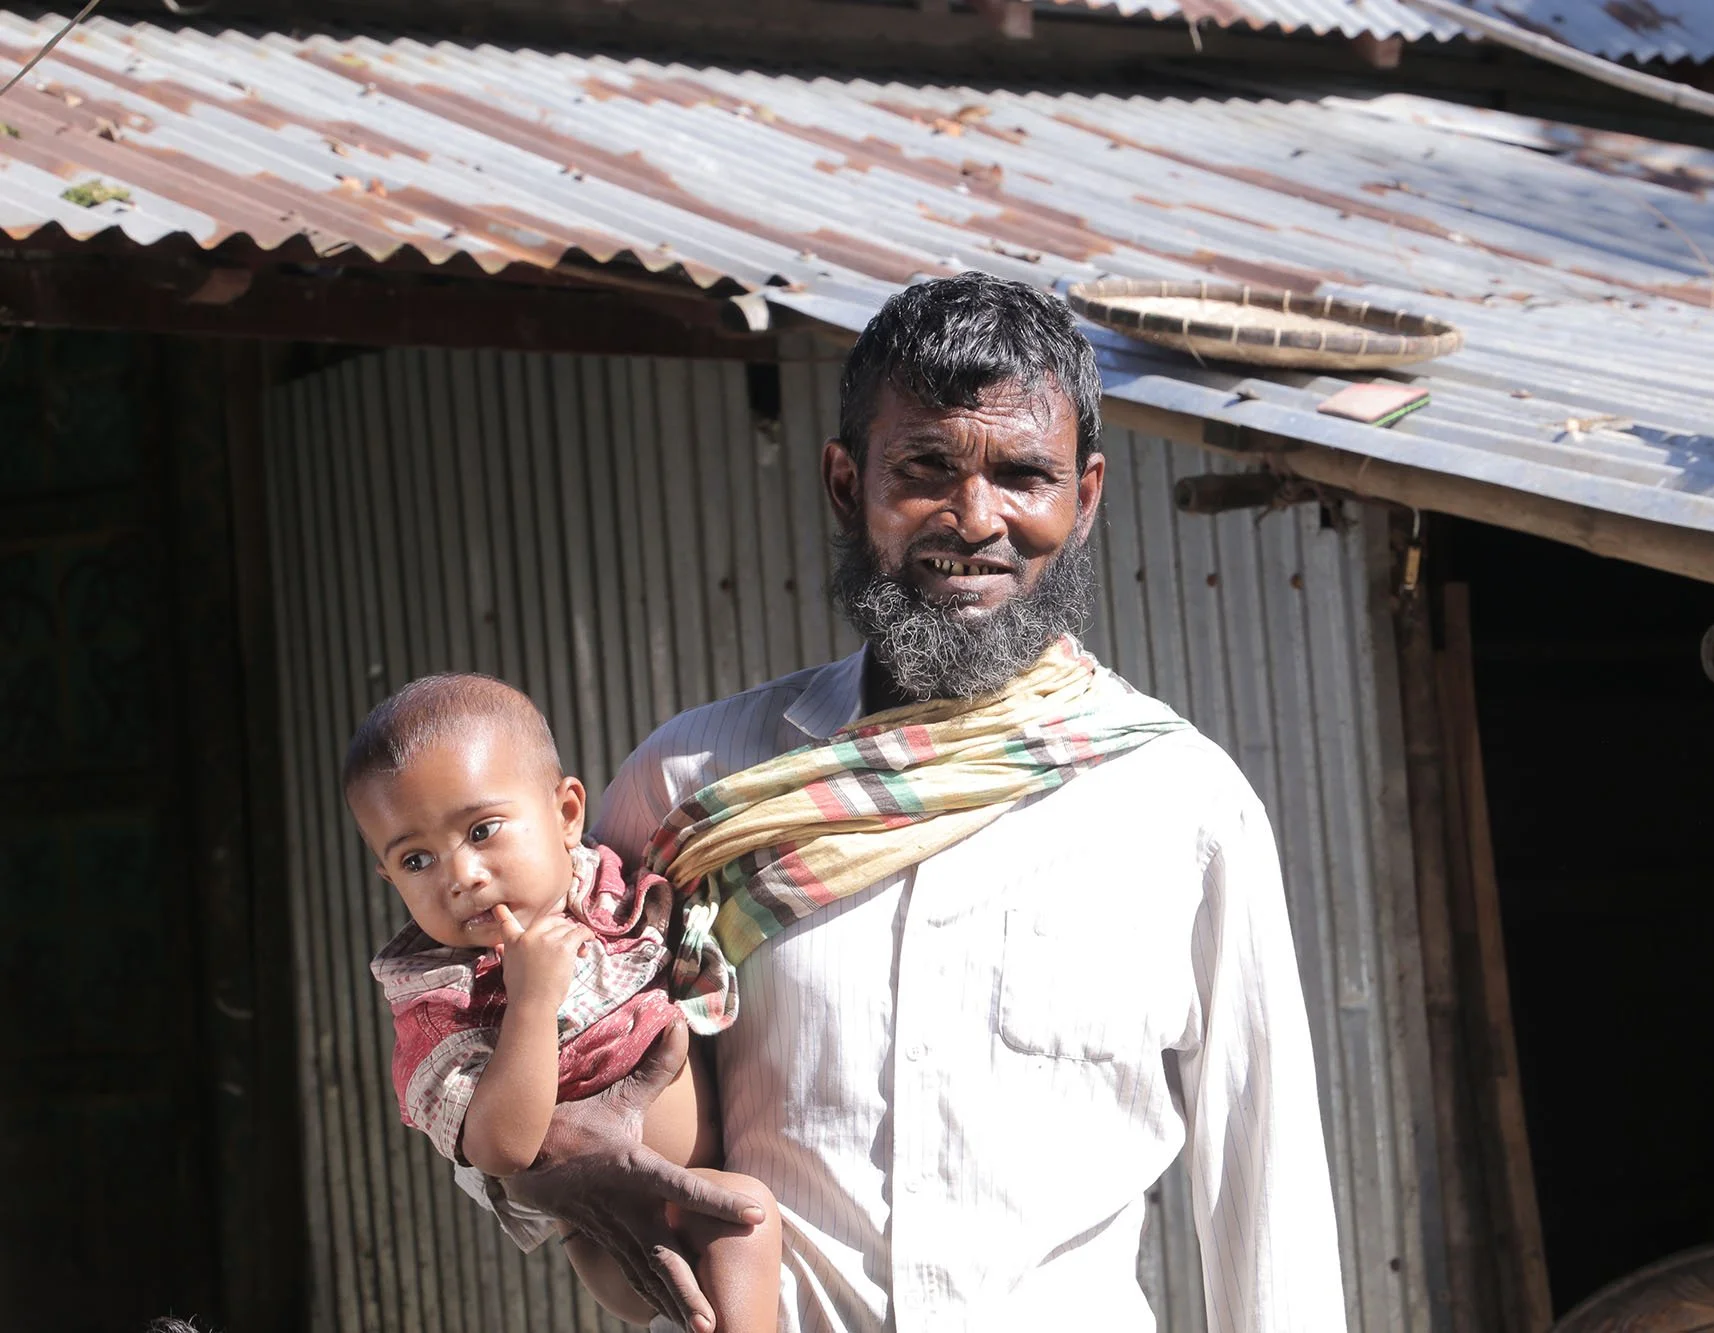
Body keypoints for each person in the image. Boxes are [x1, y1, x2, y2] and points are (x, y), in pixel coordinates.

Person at [500, 271, 1342, 1332]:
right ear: (846, 483)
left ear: (1084, 499)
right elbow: (510, 1044)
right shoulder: (693, 787)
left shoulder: (1181, 807)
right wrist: (553, 1174)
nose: (975, 519)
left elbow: (1263, 1185)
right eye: (926, 468)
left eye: (1023, 475)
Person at [345, 675, 782, 1331]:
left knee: (741, 1217)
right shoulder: (443, 1000)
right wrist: (530, 1003)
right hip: (613, 1232)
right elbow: (499, 1149)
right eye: (415, 860)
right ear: (388, 876)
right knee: (744, 1212)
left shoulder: (607, 881)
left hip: (712, 1172)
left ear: (567, 814)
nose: (461, 876)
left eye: (482, 830)